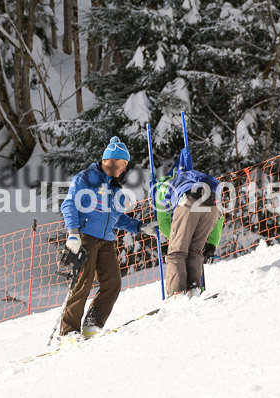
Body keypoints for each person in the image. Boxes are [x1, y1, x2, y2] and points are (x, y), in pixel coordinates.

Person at [60, 136, 156, 341]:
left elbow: (115, 217)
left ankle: (92, 325)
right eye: (122, 164)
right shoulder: (85, 179)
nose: (123, 169)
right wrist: (73, 233)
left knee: (112, 283)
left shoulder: (113, 187)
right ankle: (68, 332)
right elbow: (69, 205)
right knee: (82, 284)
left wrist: (139, 226)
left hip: (106, 241)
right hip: (85, 238)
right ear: (111, 160)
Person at [148, 149, 225, 298]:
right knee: (195, 250)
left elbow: (164, 221)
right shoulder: (194, 178)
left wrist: (176, 239)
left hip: (188, 203)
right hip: (213, 205)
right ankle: (194, 288)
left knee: (177, 251)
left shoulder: (163, 185)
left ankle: (177, 292)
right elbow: (220, 217)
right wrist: (211, 244)